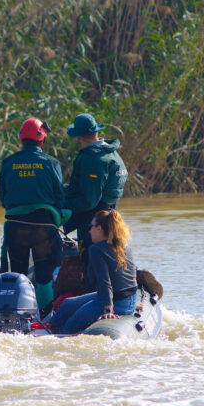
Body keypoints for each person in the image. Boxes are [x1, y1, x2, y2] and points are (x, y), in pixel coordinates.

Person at [0, 118, 65, 314]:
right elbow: (59, 196)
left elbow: (3, 197)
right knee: (44, 273)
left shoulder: (8, 163)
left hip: (15, 226)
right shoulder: (51, 163)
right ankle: (46, 316)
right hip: (43, 228)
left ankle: (16, 316)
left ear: (21, 140)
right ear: (42, 140)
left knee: (17, 272)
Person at [63, 113, 128, 288]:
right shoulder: (112, 152)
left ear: (79, 137)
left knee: (91, 261)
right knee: (111, 257)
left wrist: (63, 206)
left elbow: (89, 201)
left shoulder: (93, 158)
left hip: (94, 220)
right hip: (112, 216)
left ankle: (95, 298)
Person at [49, 209, 137, 334]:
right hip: (128, 300)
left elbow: (104, 280)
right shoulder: (123, 245)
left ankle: (54, 334)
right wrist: (132, 303)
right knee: (67, 304)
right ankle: (49, 328)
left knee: (69, 326)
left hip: (114, 302)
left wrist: (108, 309)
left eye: (91, 227)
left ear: (99, 229)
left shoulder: (96, 249)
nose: (89, 231)